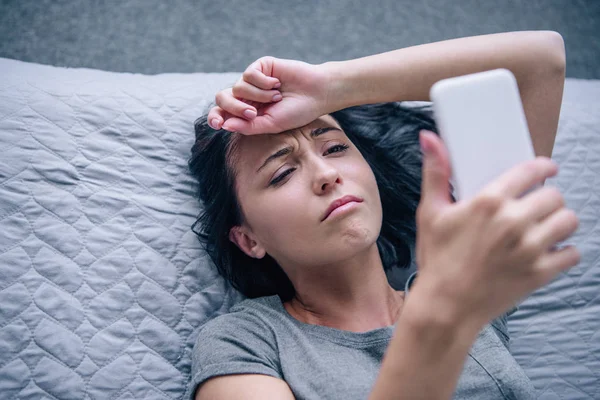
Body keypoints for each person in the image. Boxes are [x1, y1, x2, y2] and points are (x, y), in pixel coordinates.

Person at [188, 30, 579, 399]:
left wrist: (331, 88)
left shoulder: (464, 281)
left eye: (335, 149)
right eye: (283, 173)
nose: (327, 175)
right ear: (248, 238)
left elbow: (541, 60)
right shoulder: (244, 341)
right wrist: (442, 315)